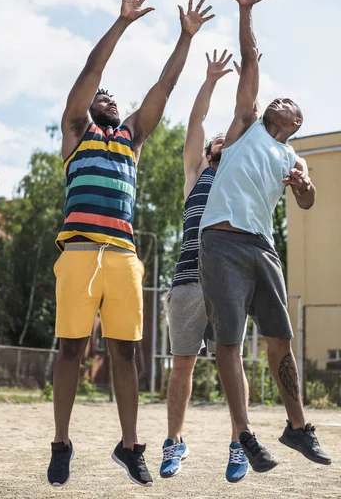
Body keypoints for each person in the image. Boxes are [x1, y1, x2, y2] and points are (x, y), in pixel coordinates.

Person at [47, 0, 215, 488]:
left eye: (113, 96)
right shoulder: (77, 133)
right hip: (78, 253)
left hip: (122, 257)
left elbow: (163, 88)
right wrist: (121, 22)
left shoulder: (132, 140)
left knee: (126, 353)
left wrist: (184, 37)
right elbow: (90, 74)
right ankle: (61, 443)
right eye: (104, 96)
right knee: (70, 351)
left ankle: (128, 445)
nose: (109, 95)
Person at [199, 0, 331, 473]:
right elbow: (250, 60)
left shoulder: (291, 154)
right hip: (223, 243)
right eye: (278, 99)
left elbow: (308, 202)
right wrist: (246, 8)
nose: (280, 101)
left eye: (290, 105)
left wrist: (305, 187)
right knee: (229, 342)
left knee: (281, 338)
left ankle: (297, 427)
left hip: (263, 249)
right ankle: (247, 436)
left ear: (297, 122)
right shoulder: (247, 125)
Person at [159, 49, 250, 483]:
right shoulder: (195, 173)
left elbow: (247, 114)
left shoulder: (237, 174)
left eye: (225, 139)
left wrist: (249, 69)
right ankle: (174, 442)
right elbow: (195, 122)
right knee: (181, 364)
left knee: (232, 363)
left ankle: (240, 444)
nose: (220, 139)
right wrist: (211, 79)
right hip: (187, 281)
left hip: (228, 281)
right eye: (217, 139)